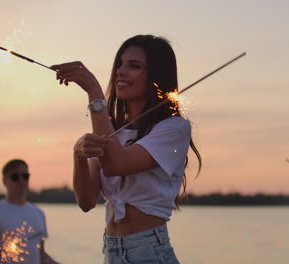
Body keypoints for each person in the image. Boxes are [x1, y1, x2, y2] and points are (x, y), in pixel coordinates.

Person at [51, 35, 202, 263]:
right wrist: (79, 155)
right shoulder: (113, 132)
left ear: (155, 76)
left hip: (149, 250)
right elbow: (86, 201)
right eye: (120, 64)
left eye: (134, 66)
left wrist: (93, 90)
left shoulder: (174, 128)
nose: (120, 71)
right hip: (111, 251)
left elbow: (116, 165)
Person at [0, 159, 58, 264]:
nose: (21, 180)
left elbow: (41, 254)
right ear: (4, 181)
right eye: (15, 177)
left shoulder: (38, 213)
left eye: (25, 176)